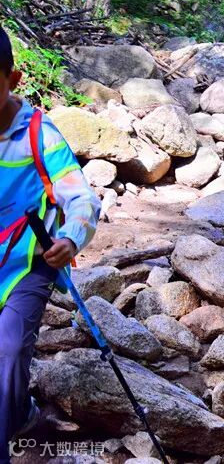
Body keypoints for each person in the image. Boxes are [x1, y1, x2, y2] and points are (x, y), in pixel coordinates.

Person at [0, 25, 101, 462]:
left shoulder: (40, 134)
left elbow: (81, 198)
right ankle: (20, 411)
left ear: (13, 79)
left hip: (30, 260)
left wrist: (71, 238)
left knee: (9, 347)